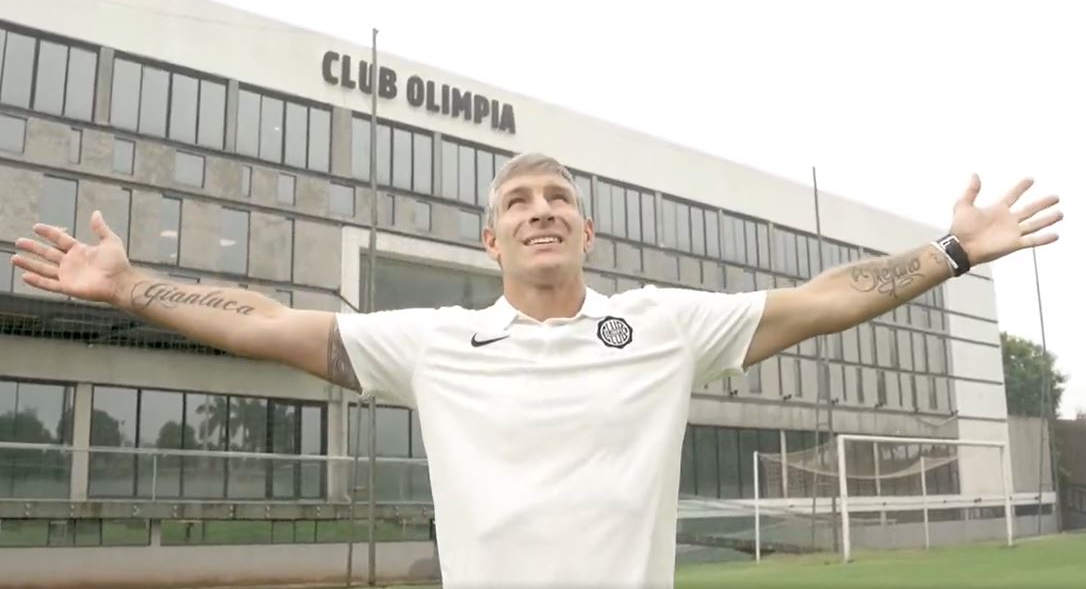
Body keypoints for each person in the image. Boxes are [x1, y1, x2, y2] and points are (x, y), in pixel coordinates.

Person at [10, 153, 1061, 588]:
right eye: (518, 202)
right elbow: (271, 321)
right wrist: (132, 285)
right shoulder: (434, 344)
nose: (541, 210)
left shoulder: (661, 325)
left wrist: (952, 251)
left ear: (587, 232)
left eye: (558, 198)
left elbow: (821, 300)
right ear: (492, 240)